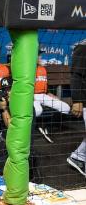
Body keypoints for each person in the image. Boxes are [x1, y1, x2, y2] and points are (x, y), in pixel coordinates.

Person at [33, 51, 71, 142]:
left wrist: (50, 94)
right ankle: (33, 129)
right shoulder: (27, 69)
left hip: (44, 95)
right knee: (38, 111)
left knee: (66, 108)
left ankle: (46, 126)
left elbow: (45, 86)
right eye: (38, 56)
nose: (40, 58)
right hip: (31, 96)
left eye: (40, 56)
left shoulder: (43, 69)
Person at [67, 43, 86, 176]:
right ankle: (78, 157)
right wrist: (77, 99)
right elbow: (76, 76)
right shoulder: (83, 48)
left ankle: (78, 157)